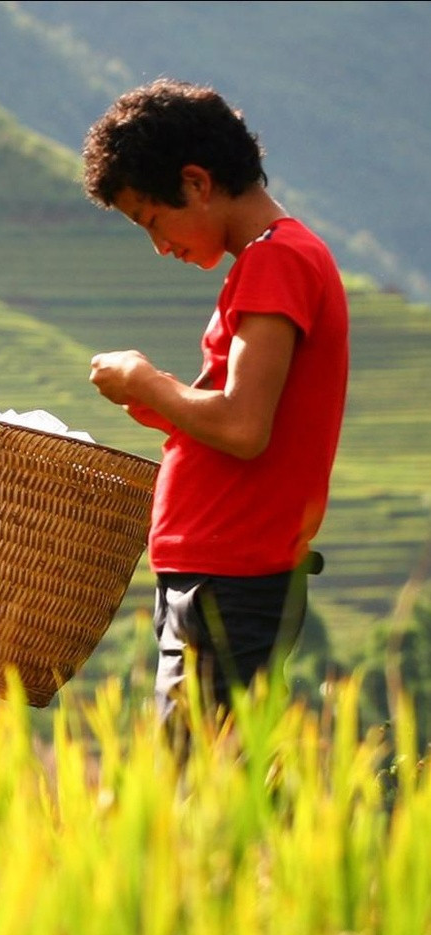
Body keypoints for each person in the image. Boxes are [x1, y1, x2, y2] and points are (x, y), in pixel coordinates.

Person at [81, 80, 348, 740]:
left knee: (199, 789)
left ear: (196, 182)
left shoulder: (276, 260)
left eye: (150, 219)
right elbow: (233, 413)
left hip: (229, 580)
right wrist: (153, 398)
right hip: (214, 576)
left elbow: (241, 425)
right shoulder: (268, 263)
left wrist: (145, 380)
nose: (159, 244)